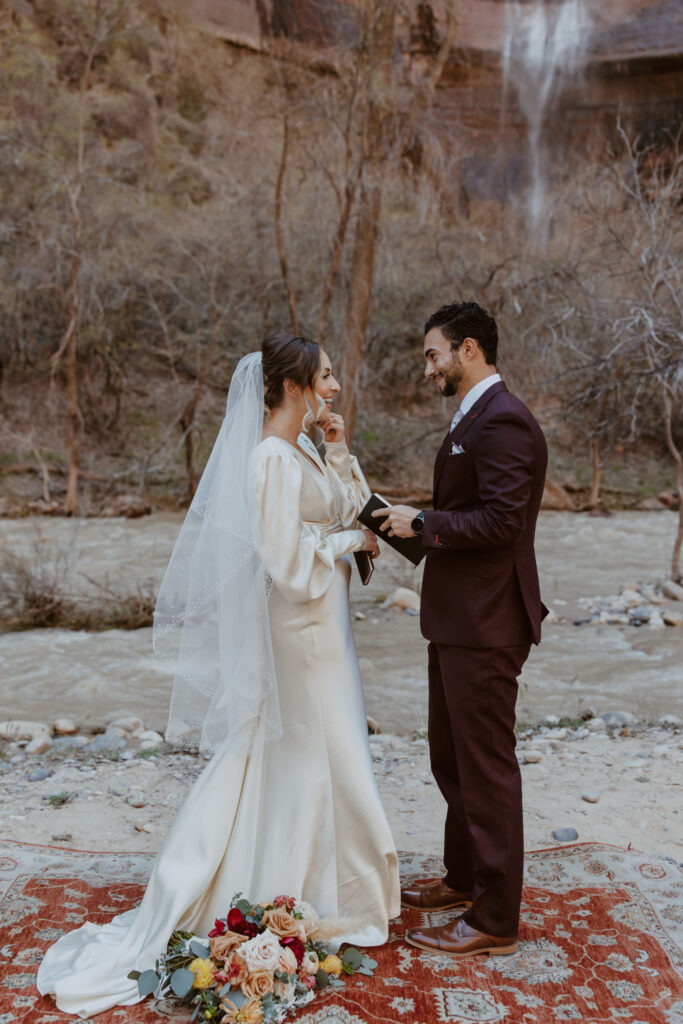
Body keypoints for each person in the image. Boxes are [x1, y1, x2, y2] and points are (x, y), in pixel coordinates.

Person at [37, 334, 399, 1017]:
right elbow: (289, 568)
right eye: (324, 378)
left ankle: (323, 883)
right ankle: (323, 892)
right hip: (301, 635)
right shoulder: (267, 458)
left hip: (327, 632)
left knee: (317, 757)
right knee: (323, 755)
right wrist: (353, 543)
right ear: (290, 385)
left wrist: (341, 449)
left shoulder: (301, 449)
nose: (334, 388)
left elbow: (347, 505)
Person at [373, 301, 547, 959]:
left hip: (487, 621)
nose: (427, 368)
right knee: (451, 763)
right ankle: (462, 879)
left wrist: (425, 522)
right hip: (457, 616)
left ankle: (496, 919)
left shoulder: (502, 420)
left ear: (467, 349)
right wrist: (405, 524)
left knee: (485, 770)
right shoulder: (472, 416)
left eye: (432, 354)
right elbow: (461, 518)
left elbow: (502, 523)